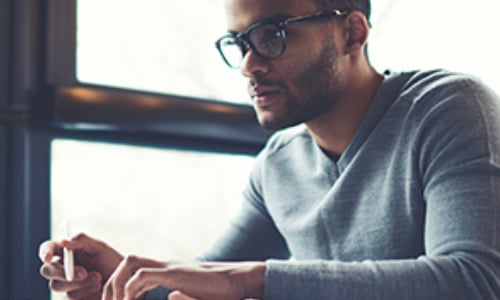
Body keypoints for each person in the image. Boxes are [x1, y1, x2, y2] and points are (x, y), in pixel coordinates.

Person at [39, 0, 500, 298]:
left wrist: (250, 280)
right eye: (239, 44)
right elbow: (202, 284)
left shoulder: (449, 107)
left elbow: (474, 281)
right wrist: (119, 278)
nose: (248, 66)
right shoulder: (278, 165)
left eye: (272, 35)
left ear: (353, 34)